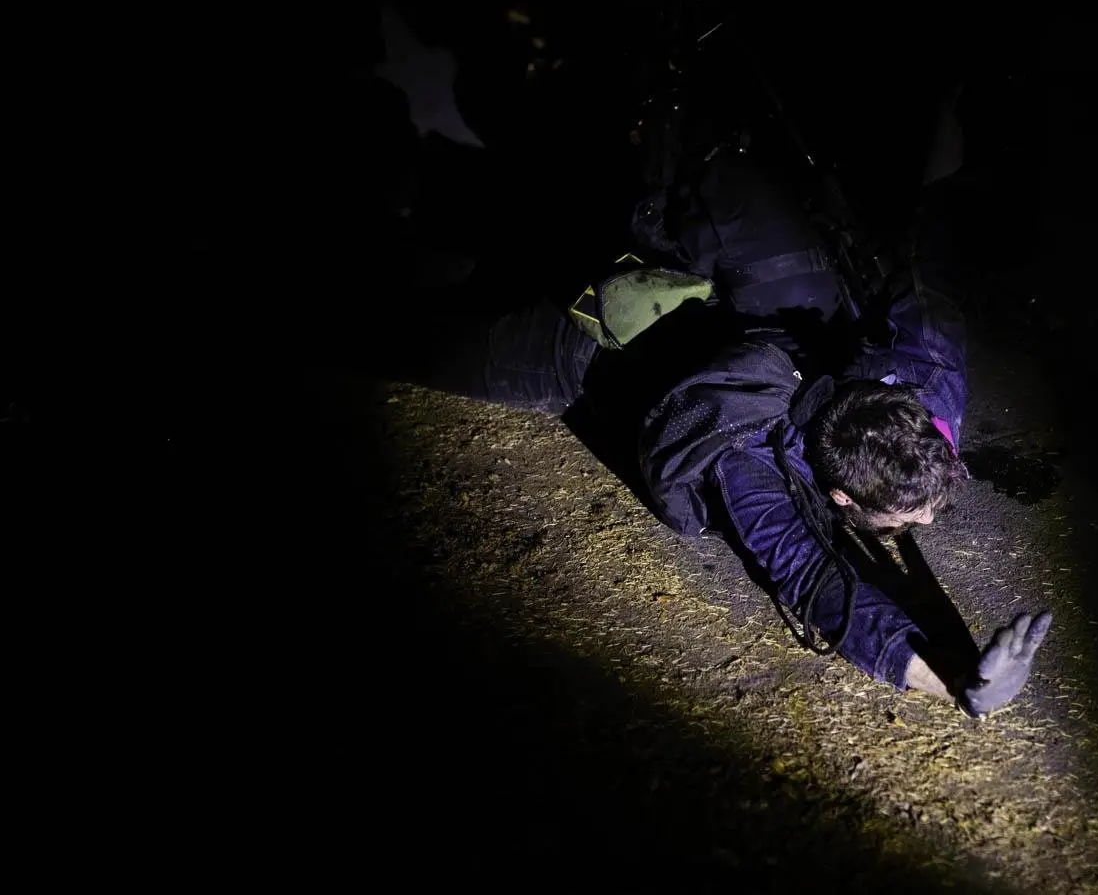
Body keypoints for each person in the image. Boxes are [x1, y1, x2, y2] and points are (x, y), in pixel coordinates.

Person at [400, 116, 1053, 718]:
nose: (928, 522)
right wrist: (956, 686)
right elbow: (815, 583)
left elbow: (927, 286)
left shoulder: (914, 393)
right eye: (910, 516)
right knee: (417, 340)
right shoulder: (747, 457)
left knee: (527, 221)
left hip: (675, 296)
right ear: (837, 493)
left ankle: (472, 187)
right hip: (587, 347)